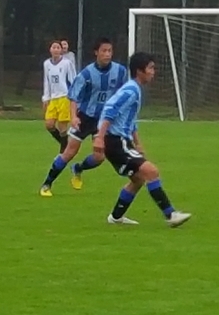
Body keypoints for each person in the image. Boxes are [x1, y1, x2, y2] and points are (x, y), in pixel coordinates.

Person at [94, 51, 191, 227]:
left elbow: (130, 120)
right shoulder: (131, 90)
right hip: (114, 141)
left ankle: (115, 217)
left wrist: (137, 142)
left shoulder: (134, 89)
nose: (153, 72)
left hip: (119, 140)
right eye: (150, 68)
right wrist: (100, 138)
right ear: (140, 71)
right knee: (151, 172)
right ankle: (170, 215)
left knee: (138, 179)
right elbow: (110, 110)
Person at [38, 37, 128, 197]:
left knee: (100, 157)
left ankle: (78, 168)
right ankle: (47, 184)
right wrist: (73, 117)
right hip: (85, 117)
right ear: (96, 53)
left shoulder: (120, 71)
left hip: (103, 121)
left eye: (110, 51)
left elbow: (122, 94)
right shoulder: (86, 74)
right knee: (69, 152)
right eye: (104, 51)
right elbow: (73, 96)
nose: (108, 54)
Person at [42, 40, 76, 155]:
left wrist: (74, 96)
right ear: (50, 49)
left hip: (64, 97)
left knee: (62, 127)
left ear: (61, 50)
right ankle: (65, 144)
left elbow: (73, 79)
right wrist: (45, 98)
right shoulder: (46, 64)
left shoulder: (66, 63)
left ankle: (63, 151)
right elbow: (46, 81)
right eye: (54, 47)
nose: (56, 49)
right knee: (49, 124)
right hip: (53, 98)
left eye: (58, 47)